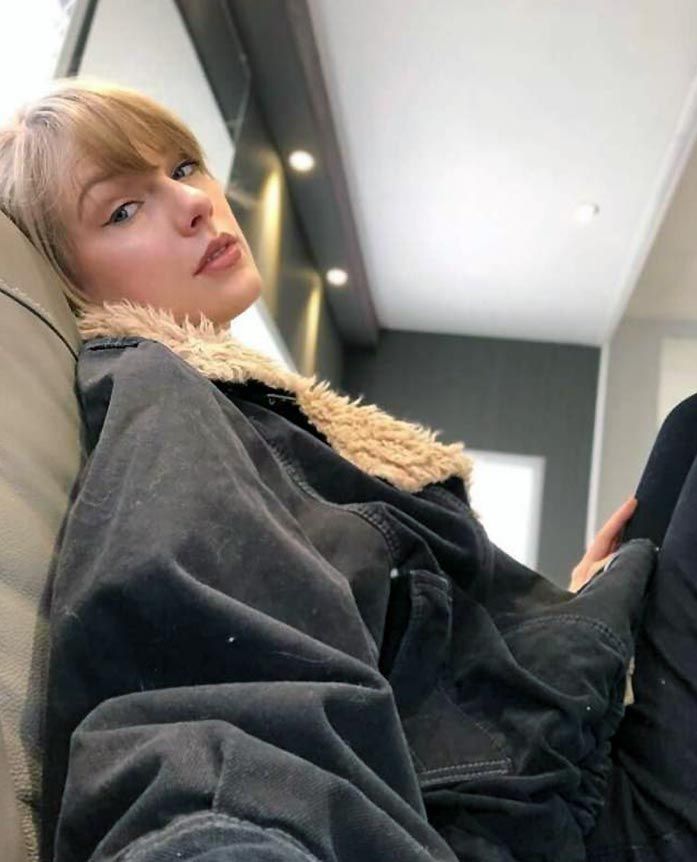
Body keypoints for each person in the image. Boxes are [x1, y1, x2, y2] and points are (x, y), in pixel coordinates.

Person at [0, 77, 693, 862]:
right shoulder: (161, 394)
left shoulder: (260, 409)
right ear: (68, 277)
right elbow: (197, 694)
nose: (192, 203)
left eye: (184, 167)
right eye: (123, 210)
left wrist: (568, 605)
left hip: (555, 743)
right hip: (542, 821)